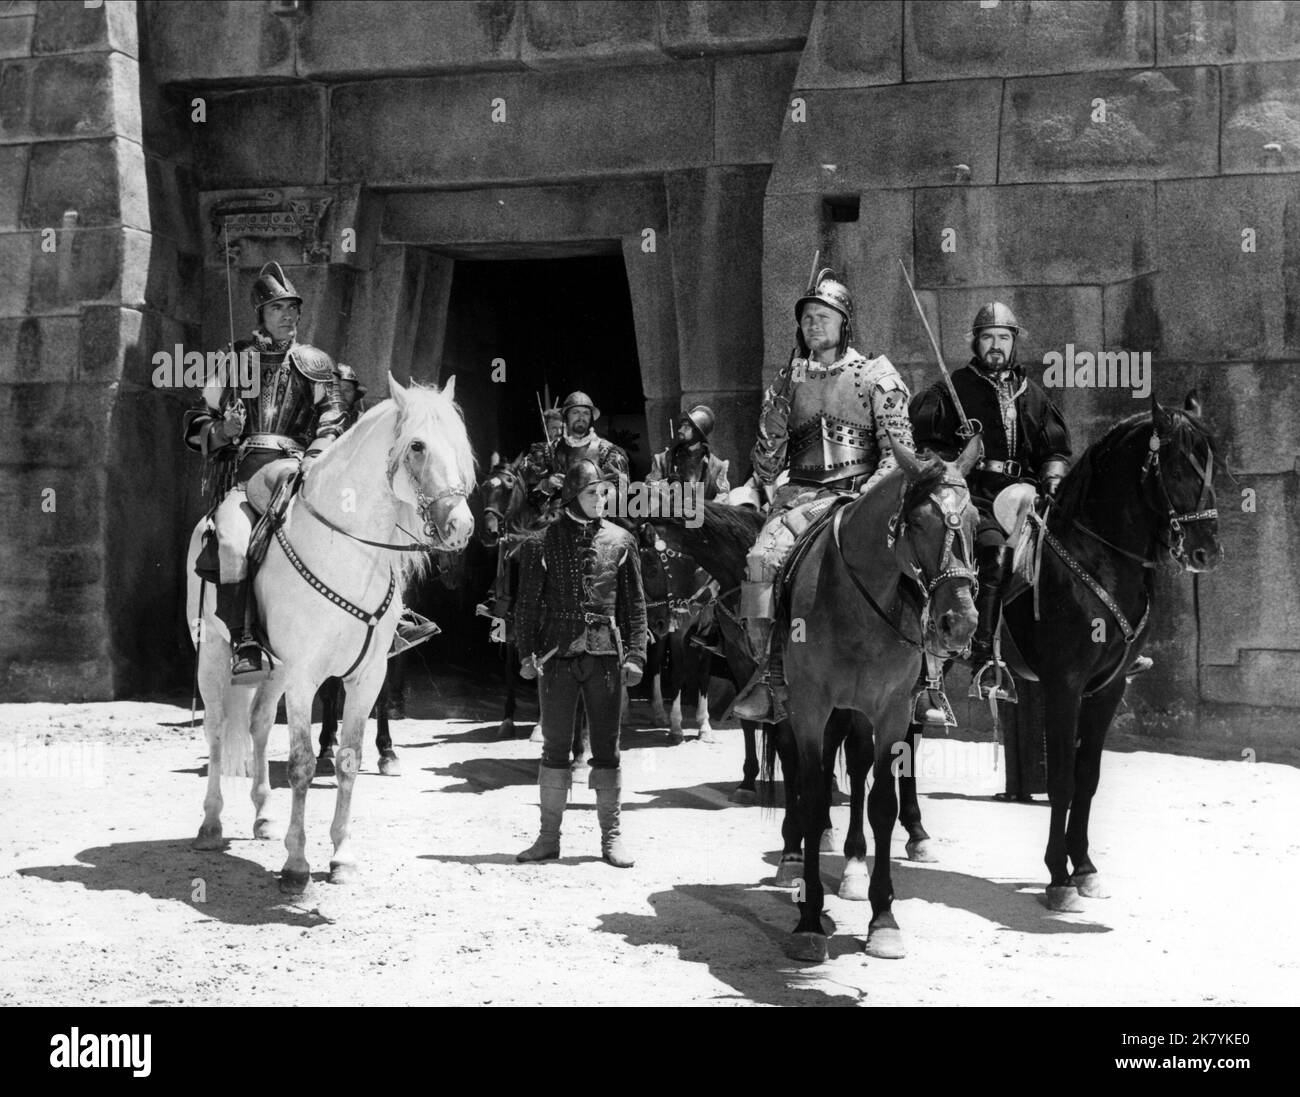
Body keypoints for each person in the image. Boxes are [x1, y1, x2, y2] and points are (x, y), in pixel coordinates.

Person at [735, 269, 916, 722]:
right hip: (800, 499)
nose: (812, 325)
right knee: (760, 560)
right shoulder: (787, 380)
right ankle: (771, 674)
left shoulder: (877, 374)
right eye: (806, 318)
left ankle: (928, 677)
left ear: (843, 322)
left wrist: (868, 500)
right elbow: (767, 468)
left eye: (822, 316)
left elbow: (900, 452)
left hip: (863, 497)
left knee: (921, 557)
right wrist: (773, 419)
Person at [184, 262, 344, 680]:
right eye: (278, 308)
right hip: (244, 480)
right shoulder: (233, 361)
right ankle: (244, 642)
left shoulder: (316, 363)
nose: (288, 315)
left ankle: (387, 622)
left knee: (354, 523)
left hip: (302, 474)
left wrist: (315, 456)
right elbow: (198, 419)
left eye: (293, 308)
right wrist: (224, 429)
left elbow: (333, 416)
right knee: (234, 545)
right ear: (261, 314)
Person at [909, 302, 1071, 699]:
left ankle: (1100, 643)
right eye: (988, 338)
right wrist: (956, 461)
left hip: (1028, 498)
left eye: (1003, 338)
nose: (995, 346)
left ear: (1014, 343)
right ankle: (983, 657)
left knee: (1078, 553)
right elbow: (928, 447)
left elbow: (1054, 449)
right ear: (976, 342)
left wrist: (1052, 477)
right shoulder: (952, 390)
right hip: (976, 496)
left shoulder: (1032, 395)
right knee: (995, 555)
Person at [513, 460, 648, 868]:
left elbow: (635, 606)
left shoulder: (622, 541)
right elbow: (527, 606)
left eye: (604, 493)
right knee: (555, 748)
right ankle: (547, 839)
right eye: (593, 493)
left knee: (607, 749)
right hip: (556, 658)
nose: (601, 499)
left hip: (606, 658)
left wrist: (637, 654)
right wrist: (525, 653)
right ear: (573, 495)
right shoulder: (540, 543)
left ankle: (612, 838)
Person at [530, 392, 629, 510]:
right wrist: (546, 484)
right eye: (575, 412)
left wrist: (594, 489)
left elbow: (621, 496)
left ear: (591, 418)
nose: (581, 417)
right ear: (566, 417)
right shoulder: (548, 451)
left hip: (597, 522)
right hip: (557, 520)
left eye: (586, 413)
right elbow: (527, 496)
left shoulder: (609, 452)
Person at [646, 404, 730, 502]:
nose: (680, 430)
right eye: (682, 426)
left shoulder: (717, 467)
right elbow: (650, 490)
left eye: (686, 427)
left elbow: (723, 498)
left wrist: (706, 510)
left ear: (699, 433)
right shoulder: (662, 460)